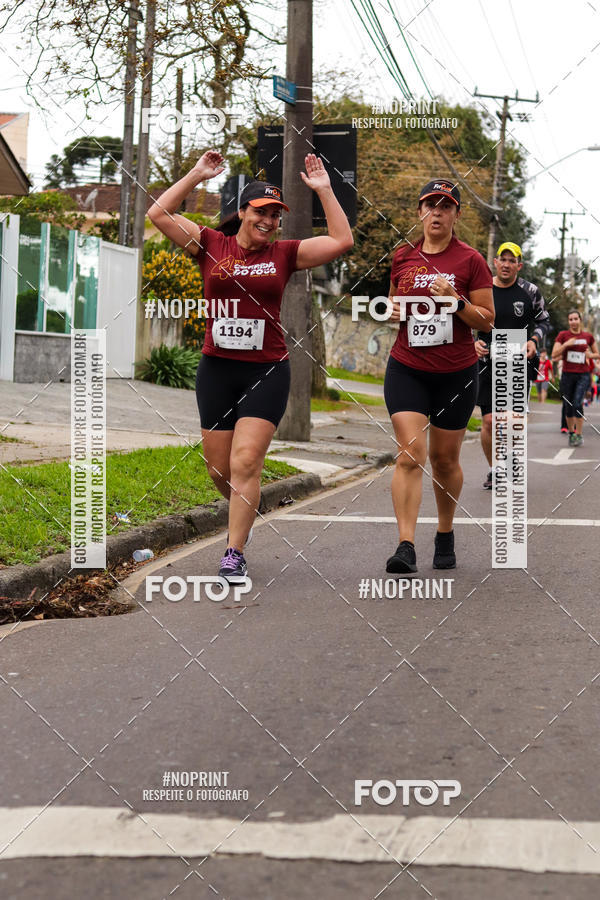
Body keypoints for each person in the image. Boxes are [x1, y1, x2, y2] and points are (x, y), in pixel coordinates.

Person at [148, 150, 353, 578]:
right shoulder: (209, 243)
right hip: (217, 369)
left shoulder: (285, 253)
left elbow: (341, 242)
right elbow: (159, 213)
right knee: (219, 469)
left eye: (276, 214)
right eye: (262, 211)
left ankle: (233, 552)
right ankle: (247, 502)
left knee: (245, 463)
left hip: (266, 370)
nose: (269, 220)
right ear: (243, 211)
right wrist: (198, 174)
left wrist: (325, 191)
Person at [384, 179, 494, 573]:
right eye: (430, 205)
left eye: (445, 206)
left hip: (456, 373)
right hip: (407, 368)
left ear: (456, 214)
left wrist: (457, 300)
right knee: (410, 454)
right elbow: (394, 304)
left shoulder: (471, 261)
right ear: (419, 212)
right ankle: (406, 545)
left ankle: (444, 532)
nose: (437, 212)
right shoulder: (402, 257)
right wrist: (392, 310)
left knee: (445, 461)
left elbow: (486, 319)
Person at [474, 242, 550, 489]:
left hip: (518, 362)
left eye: (511, 260)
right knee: (488, 421)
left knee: (512, 419)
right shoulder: (481, 288)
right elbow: (464, 319)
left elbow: (543, 321)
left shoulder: (530, 291)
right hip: (487, 361)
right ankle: (495, 469)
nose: (506, 264)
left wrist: (533, 340)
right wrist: (472, 343)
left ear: (519, 265)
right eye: (502, 259)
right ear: (495, 262)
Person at [552, 310, 599, 446]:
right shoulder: (563, 335)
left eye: (575, 319)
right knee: (568, 405)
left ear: (580, 320)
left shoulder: (588, 336)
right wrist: (566, 345)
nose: (573, 322)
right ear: (568, 322)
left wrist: (590, 356)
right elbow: (554, 354)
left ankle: (579, 434)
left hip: (582, 375)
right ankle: (572, 433)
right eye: (570, 319)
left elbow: (597, 354)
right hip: (567, 374)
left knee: (577, 403)